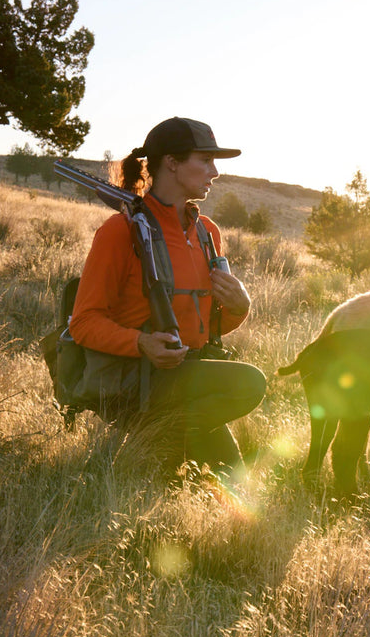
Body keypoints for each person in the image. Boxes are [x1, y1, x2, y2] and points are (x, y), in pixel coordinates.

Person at [69, 117, 262, 481]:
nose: (215, 172)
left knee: (237, 483)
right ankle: (152, 442)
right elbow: (83, 323)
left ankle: (157, 452)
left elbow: (209, 326)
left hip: (184, 378)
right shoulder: (119, 231)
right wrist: (141, 343)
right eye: (204, 160)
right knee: (250, 384)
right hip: (135, 381)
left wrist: (240, 307)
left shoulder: (208, 233)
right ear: (171, 162)